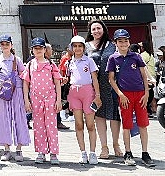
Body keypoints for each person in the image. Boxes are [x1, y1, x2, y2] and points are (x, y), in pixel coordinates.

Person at [107, 29, 155, 167]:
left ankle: (145, 153)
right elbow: (111, 79)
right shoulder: (113, 58)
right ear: (115, 43)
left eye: (126, 41)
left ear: (129, 42)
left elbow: (144, 75)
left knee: (143, 124)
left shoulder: (136, 56)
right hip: (125, 95)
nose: (123, 44)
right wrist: (120, 94)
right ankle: (128, 152)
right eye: (120, 41)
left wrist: (146, 93)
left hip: (140, 93)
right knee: (126, 124)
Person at [21, 37, 62, 165]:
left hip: (50, 98)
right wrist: (26, 100)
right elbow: (25, 83)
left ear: (45, 49)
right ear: (32, 50)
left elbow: (57, 82)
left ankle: (53, 153)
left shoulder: (51, 64)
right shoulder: (29, 65)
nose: (38, 50)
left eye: (40, 48)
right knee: (38, 126)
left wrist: (59, 100)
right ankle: (41, 151)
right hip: (35, 99)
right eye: (35, 48)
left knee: (51, 125)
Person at [86, 20, 122, 159]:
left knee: (114, 115)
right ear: (90, 31)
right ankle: (104, 147)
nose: (96, 31)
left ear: (104, 29)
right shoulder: (86, 46)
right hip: (94, 86)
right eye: (93, 29)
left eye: (98, 28)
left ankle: (116, 144)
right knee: (99, 116)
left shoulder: (112, 45)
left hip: (111, 84)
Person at [0, 34, 29, 162]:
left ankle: (19, 149)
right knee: (3, 121)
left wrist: (25, 97)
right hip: (2, 93)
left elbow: (24, 78)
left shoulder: (16, 60)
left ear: (11, 45)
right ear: (0, 46)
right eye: (3, 44)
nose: (5, 46)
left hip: (16, 92)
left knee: (19, 119)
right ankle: (6, 149)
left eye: (7, 44)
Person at [65, 35, 101, 165]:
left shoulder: (89, 61)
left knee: (90, 124)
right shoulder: (69, 62)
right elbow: (68, 79)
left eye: (80, 46)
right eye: (75, 46)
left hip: (88, 93)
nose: (77, 48)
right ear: (71, 48)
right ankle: (83, 152)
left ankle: (92, 153)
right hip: (74, 93)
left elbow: (95, 79)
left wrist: (97, 96)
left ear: (84, 47)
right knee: (78, 124)